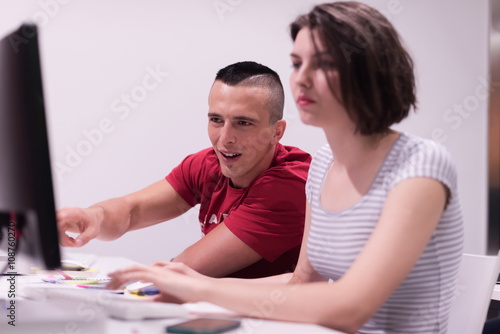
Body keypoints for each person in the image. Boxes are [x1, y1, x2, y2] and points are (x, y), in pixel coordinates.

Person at [107, 2, 465, 333]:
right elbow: (301, 283)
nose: (301, 79)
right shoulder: (324, 164)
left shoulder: (420, 163)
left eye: (323, 64)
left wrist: (199, 287)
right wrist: (195, 289)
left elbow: (350, 307)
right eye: (297, 63)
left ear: (370, 73)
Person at [57, 61, 312, 279]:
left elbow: (185, 270)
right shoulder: (209, 164)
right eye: (216, 120)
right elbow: (132, 211)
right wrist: (91, 218)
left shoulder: (291, 184)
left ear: (276, 131)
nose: (225, 138)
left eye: (243, 123)